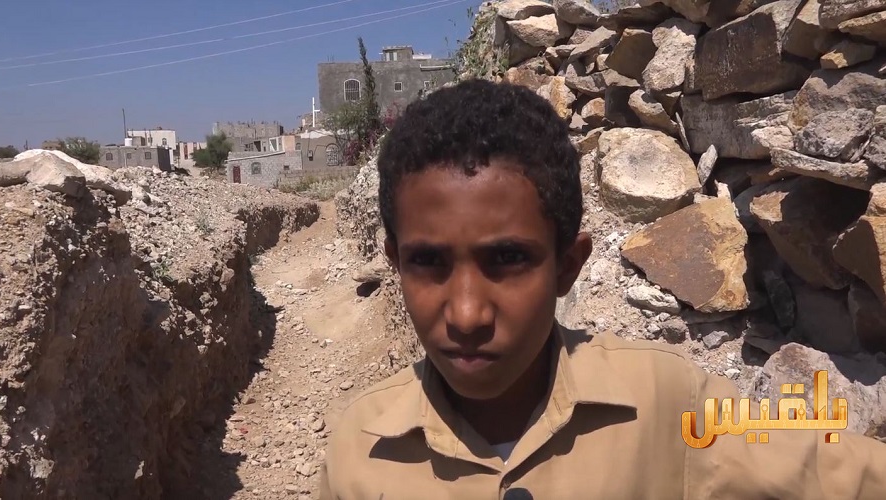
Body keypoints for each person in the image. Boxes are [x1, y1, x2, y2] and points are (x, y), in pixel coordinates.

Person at [318, 79, 886, 499]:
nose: (466, 314)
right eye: (428, 262)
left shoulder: (668, 402)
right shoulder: (359, 452)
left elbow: (843, 474)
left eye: (508, 259)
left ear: (568, 266)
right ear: (395, 263)